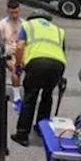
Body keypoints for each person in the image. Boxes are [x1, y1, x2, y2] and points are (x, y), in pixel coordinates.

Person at [10, 11, 67, 147]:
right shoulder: (58, 30)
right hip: (58, 65)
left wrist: (18, 65)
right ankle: (42, 129)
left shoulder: (28, 25)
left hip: (37, 63)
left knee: (30, 96)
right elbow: (61, 52)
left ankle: (22, 134)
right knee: (47, 96)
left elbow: (19, 46)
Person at [0, 0, 30, 110]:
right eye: (12, 13)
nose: (14, 15)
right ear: (7, 11)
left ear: (19, 10)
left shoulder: (25, 24)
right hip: (9, 52)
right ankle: (17, 97)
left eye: (16, 12)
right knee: (16, 68)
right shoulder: (3, 24)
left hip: (22, 52)